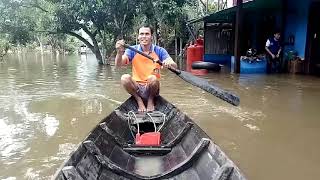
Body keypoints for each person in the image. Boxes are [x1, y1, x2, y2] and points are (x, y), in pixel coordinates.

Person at [115, 25, 177, 112]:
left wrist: (169, 63)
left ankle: (151, 100)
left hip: (152, 87)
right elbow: (118, 65)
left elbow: (174, 65)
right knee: (124, 78)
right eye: (141, 34)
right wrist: (119, 52)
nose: (144, 36)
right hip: (136, 87)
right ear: (138, 36)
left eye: (147, 34)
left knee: (153, 78)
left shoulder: (159, 50)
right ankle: (138, 100)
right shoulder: (132, 50)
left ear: (151, 36)